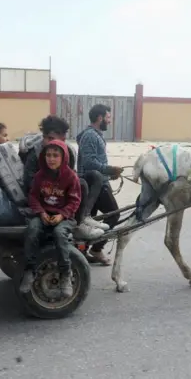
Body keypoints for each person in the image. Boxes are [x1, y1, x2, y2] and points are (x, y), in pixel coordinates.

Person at [21, 115, 106, 241]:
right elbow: (30, 183)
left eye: (53, 139)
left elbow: (69, 176)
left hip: (62, 189)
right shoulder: (35, 153)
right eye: (47, 138)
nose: (47, 142)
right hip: (45, 194)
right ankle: (78, 225)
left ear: (63, 139)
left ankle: (84, 217)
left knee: (95, 176)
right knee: (81, 184)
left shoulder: (67, 151)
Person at [20, 140, 81, 297]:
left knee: (60, 234)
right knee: (32, 230)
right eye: (48, 155)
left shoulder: (70, 177)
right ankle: (30, 270)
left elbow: (75, 201)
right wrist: (41, 213)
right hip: (43, 214)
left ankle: (65, 274)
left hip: (64, 216)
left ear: (63, 157)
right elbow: (33, 196)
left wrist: (62, 215)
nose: (51, 159)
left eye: (55, 155)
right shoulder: (40, 176)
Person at [76, 104, 123, 266]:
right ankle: (96, 249)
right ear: (100, 118)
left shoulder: (94, 135)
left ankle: (81, 252)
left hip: (96, 183)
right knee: (114, 215)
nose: (109, 121)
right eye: (108, 117)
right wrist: (109, 170)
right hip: (94, 184)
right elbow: (89, 163)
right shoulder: (90, 135)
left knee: (88, 220)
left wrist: (109, 173)